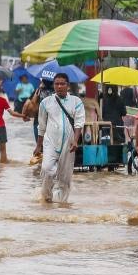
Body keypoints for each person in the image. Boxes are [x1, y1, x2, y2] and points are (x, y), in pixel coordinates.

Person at [34, 73, 85, 203]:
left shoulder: (76, 102)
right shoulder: (46, 103)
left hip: (68, 143)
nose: (59, 86)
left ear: (68, 86)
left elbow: (79, 122)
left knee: (65, 177)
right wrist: (38, 146)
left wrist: (75, 139)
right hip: (50, 141)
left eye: (62, 83)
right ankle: (46, 198)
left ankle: (62, 207)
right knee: (47, 169)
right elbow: (41, 125)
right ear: (53, 85)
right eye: (56, 83)